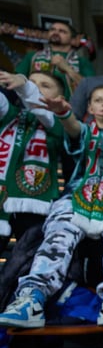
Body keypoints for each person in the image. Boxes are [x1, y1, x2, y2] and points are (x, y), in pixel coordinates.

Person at [0, 84, 103, 328]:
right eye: (99, 99)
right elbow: (74, 130)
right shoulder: (86, 130)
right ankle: (31, 299)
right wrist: (64, 115)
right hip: (76, 199)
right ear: (90, 107)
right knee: (57, 235)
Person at [0, 72, 66, 308]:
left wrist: (27, 86)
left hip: (37, 204)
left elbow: (47, 116)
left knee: (16, 268)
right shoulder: (9, 113)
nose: (36, 87)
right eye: (33, 81)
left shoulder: (60, 121)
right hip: (2, 200)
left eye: (45, 85)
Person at [15, 21, 95, 99]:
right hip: (34, 106)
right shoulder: (32, 56)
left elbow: (91, 88)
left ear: (73, 40)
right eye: (52, 29)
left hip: (69, 109)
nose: (56, 32)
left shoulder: (82, 61)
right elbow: (16, 80)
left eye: (62, 31)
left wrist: (67, 68)